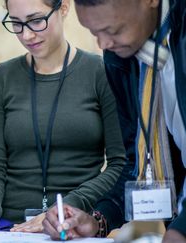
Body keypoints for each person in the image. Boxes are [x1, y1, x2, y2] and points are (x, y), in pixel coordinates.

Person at [0, 0, 126, 234]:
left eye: (36, 20)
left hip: (70, 226)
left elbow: (121, 164)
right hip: (11, 229)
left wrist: (66, 208)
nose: (27, 35)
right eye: (16, 23)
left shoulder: (102, 73)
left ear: (64, 7)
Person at [43, 0, 186, 242]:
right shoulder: (122, 54)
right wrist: (98, 220)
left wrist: (181, 229)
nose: (103, 44)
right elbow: (135, 161)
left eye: (113, 30)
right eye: (93, 32)